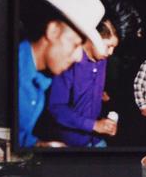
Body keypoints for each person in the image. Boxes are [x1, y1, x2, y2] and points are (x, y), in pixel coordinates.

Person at [15, 0, 105, 150]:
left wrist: (39, 145)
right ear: (53, 31)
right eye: (75, 44)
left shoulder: (41, 81)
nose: (79, 57)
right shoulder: (12, 70)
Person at [42, 18, 120, 148]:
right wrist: (94, 125)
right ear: (92, 38)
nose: (111, 52)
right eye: (108, 46)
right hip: (72, 142)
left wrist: (101, 97)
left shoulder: (102, 60)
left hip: (96, 139)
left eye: (113, 47)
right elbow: (56, 108)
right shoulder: (69, 60)